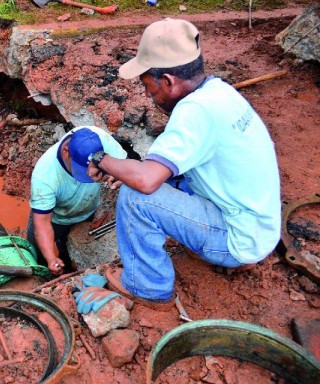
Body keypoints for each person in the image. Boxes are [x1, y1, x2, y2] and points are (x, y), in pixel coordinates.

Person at [87, 18, 281, 310]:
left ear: (168, 80)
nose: (148, 96)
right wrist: (128, 171)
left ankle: (147, 287)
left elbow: (146, 181)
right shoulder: (218, 91)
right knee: (165, 178)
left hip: (238, 240)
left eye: (148, 87)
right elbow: (159, 171)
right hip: (259, 227)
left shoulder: (193, 112)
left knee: (135, 197)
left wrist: (102, 159)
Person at [27, 126, 127, 276]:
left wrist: (118, 175)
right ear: (66, 152)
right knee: (36, 256)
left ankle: (66, 264)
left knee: (67, 252)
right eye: (83, 173)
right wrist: (50, 259)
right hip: (55, 219)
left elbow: (124, 165)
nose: (93, 178)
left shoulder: (98, 139)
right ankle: (43, 277)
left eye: (95, 172)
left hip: (87, 211)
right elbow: (42, 223)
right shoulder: (45, 176)